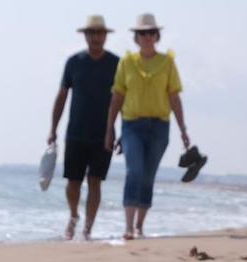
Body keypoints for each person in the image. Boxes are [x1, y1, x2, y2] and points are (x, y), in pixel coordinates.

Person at [105, 13, 191, 240]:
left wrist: (183, 129)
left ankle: (140, 225)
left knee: (148, 175)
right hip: (132, 125)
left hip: (159, 126)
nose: (146, 37)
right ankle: (128, 225)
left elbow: (174, 97)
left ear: (157, 36)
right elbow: (117, 97)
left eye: (150, 32)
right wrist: (109, 128)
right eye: (142, 33)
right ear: (136, 37)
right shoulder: (127, 62)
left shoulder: (167, 63)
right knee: (134, 171)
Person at [48, 15, 120, 240]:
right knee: (73, 182)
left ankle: (88, 227)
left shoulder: (116, 64)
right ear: (86, 36)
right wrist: (53, 129)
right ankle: (73, 216)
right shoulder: (74, 62)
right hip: (76, 132)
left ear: (105, 36)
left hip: (104, 133)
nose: (96, 37)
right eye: (92, 33)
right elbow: (62, 96)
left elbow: (123, 99)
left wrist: (122, 131)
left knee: (95, 181)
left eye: (100, 33)